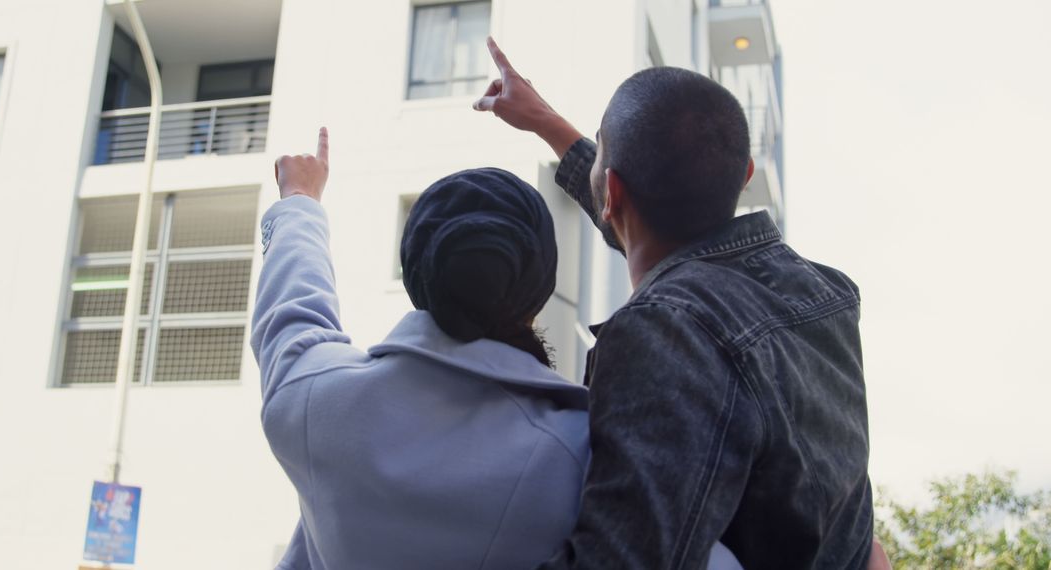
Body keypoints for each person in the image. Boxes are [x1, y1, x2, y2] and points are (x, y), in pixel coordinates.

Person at [250, 129, 744, 569]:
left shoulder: (316, 402)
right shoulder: (586, 460)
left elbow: (293, 308)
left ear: (415, 275)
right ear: (540, 288)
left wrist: (300, 200)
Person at [474, 38, 882, 569]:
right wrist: (547, 121)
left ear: (613, 193)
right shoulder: (824, 290)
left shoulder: (665, 335)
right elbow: (638, 215)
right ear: (745, 176)